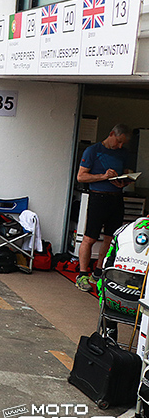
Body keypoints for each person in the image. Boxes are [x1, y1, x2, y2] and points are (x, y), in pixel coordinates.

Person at [75, 124, 135, 292]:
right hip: (98, 197)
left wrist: (125, 180)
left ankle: (99, 271)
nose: (120, 146)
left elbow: (126, 173)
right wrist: (103, 176)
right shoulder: (93, 151)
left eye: (123, 143)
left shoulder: (123, 153)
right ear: (111, 134)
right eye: (118, 141)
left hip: (116, 197)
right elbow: (81, 177)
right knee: (90, 237)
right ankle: (82, 275)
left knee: (111, 238)